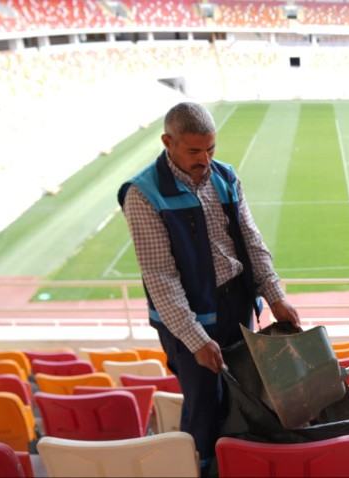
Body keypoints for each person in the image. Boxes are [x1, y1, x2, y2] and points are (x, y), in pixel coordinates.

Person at [118, 102, 300, 470]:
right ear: (168, 141)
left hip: (236, 303)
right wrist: (196, 338)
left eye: (211, 148)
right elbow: (161, 277)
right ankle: (197, 466)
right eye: (194, 151)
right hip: (188, 316)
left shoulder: (225, 177)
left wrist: (274, 294)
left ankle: (231, 462)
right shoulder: (143, 194)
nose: (205, 159)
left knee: (240, 393)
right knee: (203, 404)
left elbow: (250, 240)